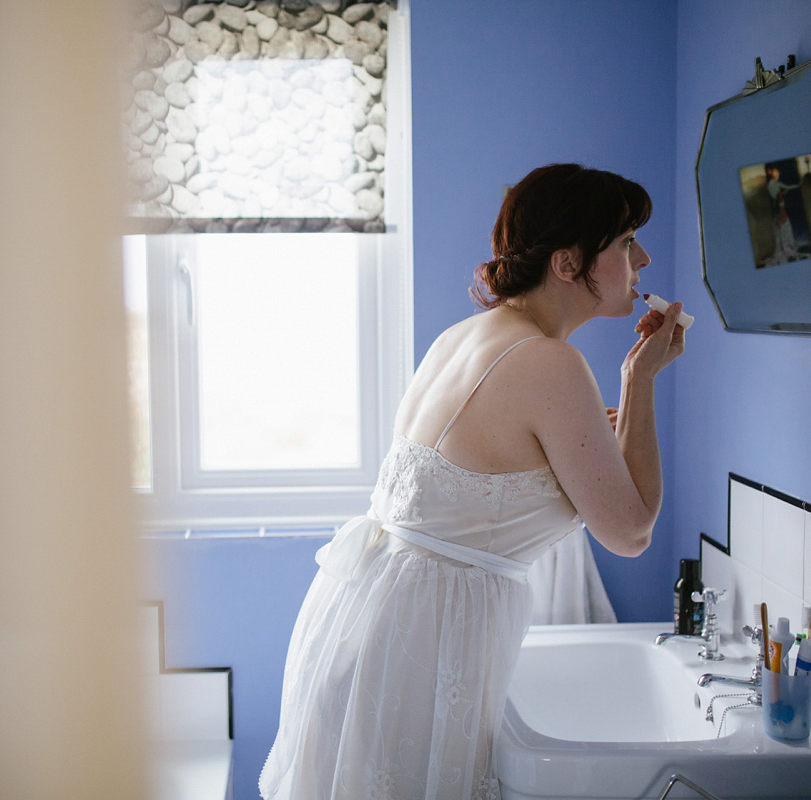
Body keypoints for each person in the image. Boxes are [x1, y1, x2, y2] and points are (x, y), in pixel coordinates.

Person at [259, 163, 686, 800]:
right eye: (626, 242)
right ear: (568, 263)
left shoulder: (464, 336)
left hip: (372, 625)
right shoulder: (550, 362)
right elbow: (631, 532)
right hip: (421, 645)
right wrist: (640, 379)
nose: (643, 258)